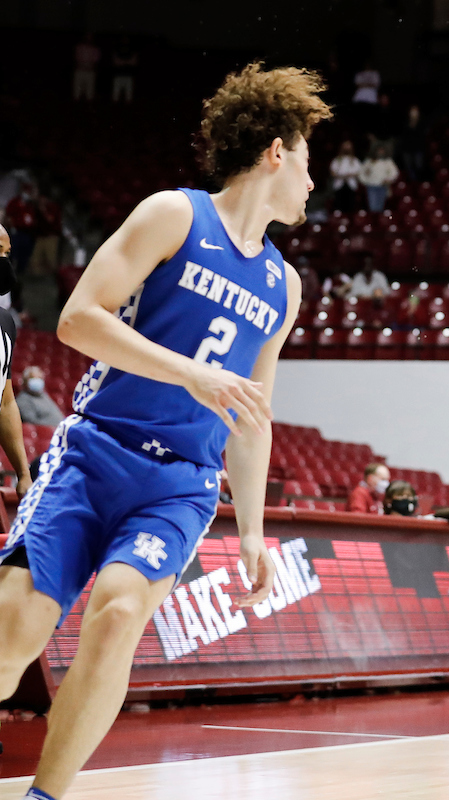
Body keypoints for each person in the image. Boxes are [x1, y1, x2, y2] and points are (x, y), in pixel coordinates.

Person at [0, 62, 316, 800]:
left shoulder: (284, 286)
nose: (311, 182)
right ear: (275, 152)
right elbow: (78, 319)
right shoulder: (174, 215)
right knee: (13, 637)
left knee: (118, 614)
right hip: (93, 454)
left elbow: (251, 417)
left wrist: (252, 532)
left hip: (177, 486)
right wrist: (191, 374)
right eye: (307, 161)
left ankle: (45, 797)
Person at [0, 225, 32, 500]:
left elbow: (6, 402)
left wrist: (23, 473)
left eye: (7, 254)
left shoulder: (5, 322)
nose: (4, 262)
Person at [359, 143, 399, 214]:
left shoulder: (388, 162)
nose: (380, 152)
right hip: (371, 186)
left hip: (383, 186)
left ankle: (380, 218)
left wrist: (388, 179)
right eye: (379, 150)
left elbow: (394, 173)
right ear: (375, 151)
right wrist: (365, 181)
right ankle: (373, 218)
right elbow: (361, 173)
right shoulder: (369, 161)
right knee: (373, 207)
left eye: (382, 150)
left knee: (381, 207)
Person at [329, 141, 362, 213]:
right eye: (345, 146)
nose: (347, 148)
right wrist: (341, 176)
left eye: (348, 147)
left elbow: (359, 172)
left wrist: (349, 175)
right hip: (339, 185)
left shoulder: (355, 160)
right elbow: (332, 172)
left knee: (351, 206)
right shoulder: (336, 160)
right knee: (338, 206)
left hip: (351, 185)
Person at [397, 105, 426, 181]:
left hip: (418, 149)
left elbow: (422, 135)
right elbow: (402, 135)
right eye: (412, 112)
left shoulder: (422, 122)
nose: (414, 113)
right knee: (408, 167)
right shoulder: (405, 122)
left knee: (419, 166)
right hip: (407, 149)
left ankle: (418, 181)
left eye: (415, 112)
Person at [73, 33, 100, 102]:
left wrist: (92, 68)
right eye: (87, 36)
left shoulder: (95, 49)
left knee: (90, 89)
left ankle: (89, 104)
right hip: (80, 70)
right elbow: (76, 58)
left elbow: (96, 61)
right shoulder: (79, 47)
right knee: (77, 89)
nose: (88, 38)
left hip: (90, 71)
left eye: (90, 37)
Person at [111, 37, 138, 104]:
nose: (125, 41)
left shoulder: (132, 50)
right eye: (124, 39)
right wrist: (127, 62)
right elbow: (116, 62)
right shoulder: (117, 50)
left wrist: (122, 62)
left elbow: (134, 62)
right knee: (115, 95)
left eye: (126, 39)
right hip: (118, 75)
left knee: (129, 96)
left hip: (128, 75)